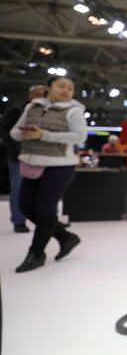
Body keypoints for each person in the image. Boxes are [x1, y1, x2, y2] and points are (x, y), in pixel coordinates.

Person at [10, 76, 86, 273]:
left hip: (60, 166)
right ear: (48, 88)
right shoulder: (32, 107)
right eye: (61, 86)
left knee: (45, 210)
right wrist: (24, 133)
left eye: (70, 88)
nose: (66, 90)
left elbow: (79, 136)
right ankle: (64, 237)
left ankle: (36, 253)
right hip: (32, 162)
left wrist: (43, 135)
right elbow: (14, 132)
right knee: (26, 207)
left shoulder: (74, 111)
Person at [1, 84, 46, 233]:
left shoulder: (47, 113)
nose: (42, 96)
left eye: (44, 93)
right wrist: (19, 149)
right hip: (20, 157)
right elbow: (7, 134)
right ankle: (19, 221)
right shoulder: (16, 111)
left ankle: (48, 221)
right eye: (39, 93)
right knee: (19, 188)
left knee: (46, 189)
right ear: (31, 95)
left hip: (43, 156)